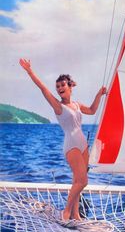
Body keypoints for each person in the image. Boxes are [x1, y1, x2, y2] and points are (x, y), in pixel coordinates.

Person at [19, 58, 107, 223]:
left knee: (77, 181)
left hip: (82, 144)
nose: (59, 88)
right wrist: (30, 71)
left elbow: (93, 110)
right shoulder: (58, 106)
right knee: (83, 181)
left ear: (70, 86)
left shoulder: (77, 105)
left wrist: (99, 94)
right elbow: (43, 88)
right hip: (71, 145)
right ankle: (66, 212)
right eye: (58, 87)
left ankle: (76, 214)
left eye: (62, 85)